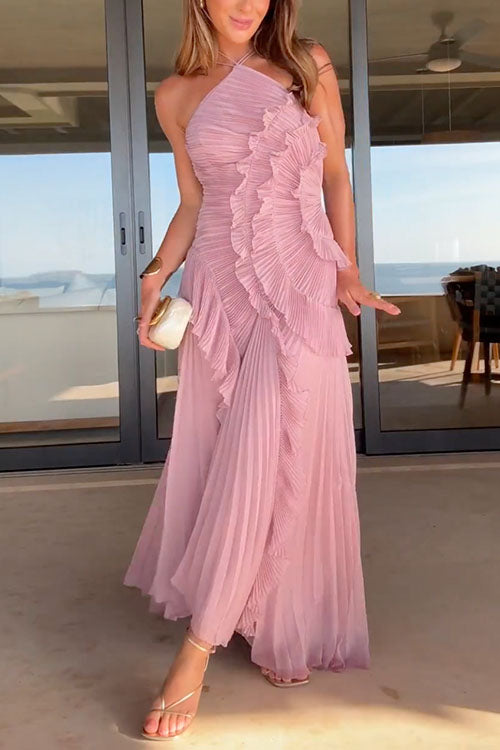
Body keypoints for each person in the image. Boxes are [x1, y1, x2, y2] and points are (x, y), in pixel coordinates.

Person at [125, 0, 401, 742]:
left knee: (279, 453)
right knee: (239, 456)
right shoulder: (175, 93)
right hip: (221, 286)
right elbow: (193, 201)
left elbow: (335, 175)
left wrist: (346, 271)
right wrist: (154, 275)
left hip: (300, 281)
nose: (246, 3)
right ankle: (270, 619)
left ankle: (197, 653)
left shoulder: (308, 64)